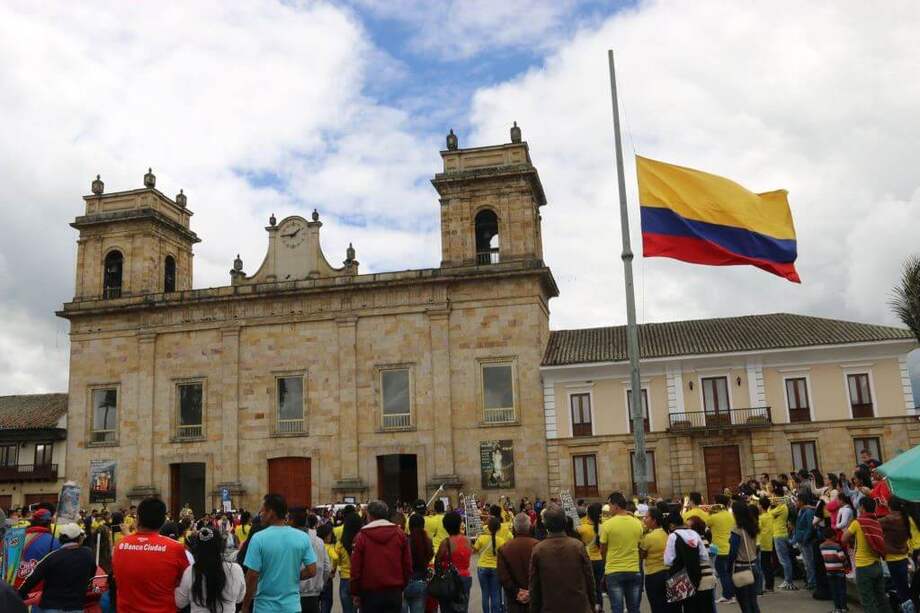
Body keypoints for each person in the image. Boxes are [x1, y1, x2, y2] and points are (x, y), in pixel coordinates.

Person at [241, 494, 317, 613]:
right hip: (292, 607)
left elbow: (252, 576)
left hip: (265, 607)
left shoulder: (258, 538)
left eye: (263, 511)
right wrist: (293, 576)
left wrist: (245, 606)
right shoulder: (302, 537)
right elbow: (312, 570)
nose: (260, 514)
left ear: (271, 512)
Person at [113, 496, 190, 611]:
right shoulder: (175, 548)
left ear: (137, 518)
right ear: (164, 520)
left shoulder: (119, 546)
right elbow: (187, 582)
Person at [529, 506, 596, 613]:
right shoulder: (577, 546)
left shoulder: (539, 549)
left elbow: (534, 585)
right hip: (578, 606)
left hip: (551, 606)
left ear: (545, 525)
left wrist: (534, 609)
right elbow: (589, 578)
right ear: (565, 522)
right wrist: (592, 603)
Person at [17, 523, 95, 613]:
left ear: (61, 538)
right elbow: (92, 574)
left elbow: (32, 578)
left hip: (50, 606)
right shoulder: (88, 555)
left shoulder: (52, 557)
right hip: (76, 606)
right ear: (79, 538)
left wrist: (20, 594)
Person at [349, 500, 410, 613]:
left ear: (369, 515)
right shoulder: (399, 534)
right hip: (394, 591)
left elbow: (356, 568)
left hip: (370, 593)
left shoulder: (361, 537)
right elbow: (407, 565)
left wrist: (355, 592)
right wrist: (401, 586)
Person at [175, 525, 246, 613]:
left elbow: (180, 602)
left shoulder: (191, 571)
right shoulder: (236, 570)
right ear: (221, 545)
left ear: (197, 548)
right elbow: (240, 598)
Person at [842, 496, 891, 613]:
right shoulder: (876, 523)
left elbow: (844, 539)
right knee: (881, 599)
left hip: (863, 567)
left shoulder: (857, 523)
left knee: (868, 601)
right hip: (877, 566)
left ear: (862, 508)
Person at [599, 492, 643, 613]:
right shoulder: (637, 523)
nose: (609, 508)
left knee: (617, 608)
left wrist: (607, 561)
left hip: (614, 570)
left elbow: (602, 550)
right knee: (634, 608)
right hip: (633, 569)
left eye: (609, 505)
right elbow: (639, 545)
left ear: (616, 506)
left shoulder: (607, 525)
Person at [665, 510, 716, 613]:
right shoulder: (694, 534)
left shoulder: (673, 536)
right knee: (695, 607)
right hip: (696, 576)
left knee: (678, 607)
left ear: (671, 526)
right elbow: (704, 556)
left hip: (679, 578)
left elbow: (668, 560)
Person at [497, 512, 538, 613]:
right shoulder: (538, 546)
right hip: (535, 599)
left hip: (514, 600)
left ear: (514, 528)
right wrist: (531, 592)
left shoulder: (504, 548)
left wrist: (517, 592)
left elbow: (503, 576)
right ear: (530, 527)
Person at [435, 511, 473, 613]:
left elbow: (437, 560)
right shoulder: (467, 540)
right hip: (465, 577)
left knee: (447, 609)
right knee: (462, 609)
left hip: (449, 580)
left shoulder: (446, 542)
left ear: (446, 526)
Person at [13, 507, 60, 589]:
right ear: (49, 523)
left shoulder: (14, 536)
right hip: (36, 593)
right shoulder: (54, 542)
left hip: (9, 589)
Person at [294, 512, 331, 613]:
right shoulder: (319, 541)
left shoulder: (290, 540)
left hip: (293, 593)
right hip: (313, 593)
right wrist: (320, 583)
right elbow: (327, 567)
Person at [879, 497, 912, 613]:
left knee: (898, 588)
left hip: (892, 558)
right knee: (904, 587)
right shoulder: (905, 518)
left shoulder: (889, 519)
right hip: (903, 556)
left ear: (890, 506)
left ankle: (906, 610)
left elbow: (875, 525)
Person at [727, 502, 759, 613]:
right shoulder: (752, 526)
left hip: (741, 568)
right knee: (753, 601)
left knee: (744, 603)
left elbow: (733, 552)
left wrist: (728, 567)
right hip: (753, 565)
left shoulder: (737, 530)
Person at [640, 508, 674, 613]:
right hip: (668, 572)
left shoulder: (649, 537)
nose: (644, 519)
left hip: (653, 574)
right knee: (668, 606)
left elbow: (641, 555)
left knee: (656, 606)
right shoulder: (667, 533)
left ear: (654, 520)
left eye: (646, 517)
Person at [473, 516, 506, 613]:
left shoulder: (481, 538)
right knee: (495, 593)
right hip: (495, 568)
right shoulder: (501, 541)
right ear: (498, 528)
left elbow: (474, 550)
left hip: (482, 567)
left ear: (488, 527)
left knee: (485, 593)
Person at [707, 495, 736, 604]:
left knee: (722, 573)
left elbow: (706, 523)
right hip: (729, 546)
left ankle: (728, 596)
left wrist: (710, 512)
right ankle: (729, 595)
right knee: (727, 573)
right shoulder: (729, 515)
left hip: (718, 548)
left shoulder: (714, 517)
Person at [577, 502, 605, 612]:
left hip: (587, 560)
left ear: (588, 514)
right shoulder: (603, 527)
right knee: (598, 586)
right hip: (599, 560)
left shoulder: (581, 529)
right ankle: (600, 608)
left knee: (587, 586)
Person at [404, 513, 432, 613]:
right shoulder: (427, 541)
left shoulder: (405, 541)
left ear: (410, 526)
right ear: (423, 525)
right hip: (420, 581)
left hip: (404, 582)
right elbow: (430, 557)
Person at [335, 511, 363, 613]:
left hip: (344, 579)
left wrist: (337, 570)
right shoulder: (362, 542)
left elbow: (335, 559)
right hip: (358, 580)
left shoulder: (340, 544)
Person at [768, 492, 796, 591]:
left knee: (784, 560)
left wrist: (770, 505)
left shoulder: (782, 507)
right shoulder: (781, 507)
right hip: (781, 534)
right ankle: (787, 580)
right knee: (784, 560)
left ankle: (788, 581)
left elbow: (769, 513)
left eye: (776, 498)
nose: (774, 499)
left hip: (779, 535)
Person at [790, 495, 817, 590]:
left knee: (809, 562)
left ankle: (812, 582)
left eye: (797, 501)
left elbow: (810, 527)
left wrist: (805, 538)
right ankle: (809, 580)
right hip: (800, 539)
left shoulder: (808, 512)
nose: (796, 503)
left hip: (806, 541)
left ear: (801, 501)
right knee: (806, 563)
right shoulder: (800, 511)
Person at [819, 526, 848, 613]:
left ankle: (837, 608)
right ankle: (843, 607)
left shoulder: (821, 546)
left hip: (829, 571)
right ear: (833, 536)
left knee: (834, 590)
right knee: (842, 589)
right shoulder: (837, 546)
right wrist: (846, 565)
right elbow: (842, 558)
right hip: (839, 570)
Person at [315, 522, 337, 613]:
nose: (330, 537)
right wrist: (334, 570)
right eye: (329, 535)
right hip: (327, 578)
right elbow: (335, 557)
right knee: (326, 603)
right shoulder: (329, 546)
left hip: (316, 577)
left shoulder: (316, 545)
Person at [754, 498, 774, 594]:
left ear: (761, 506)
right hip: (769, 542)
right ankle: (770, 585)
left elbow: (757, 529)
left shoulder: (761, 518)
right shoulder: (770, 515)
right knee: (768, 565)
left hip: (762, 543)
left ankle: (767, 586)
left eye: (758, 504)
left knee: (764, 566)